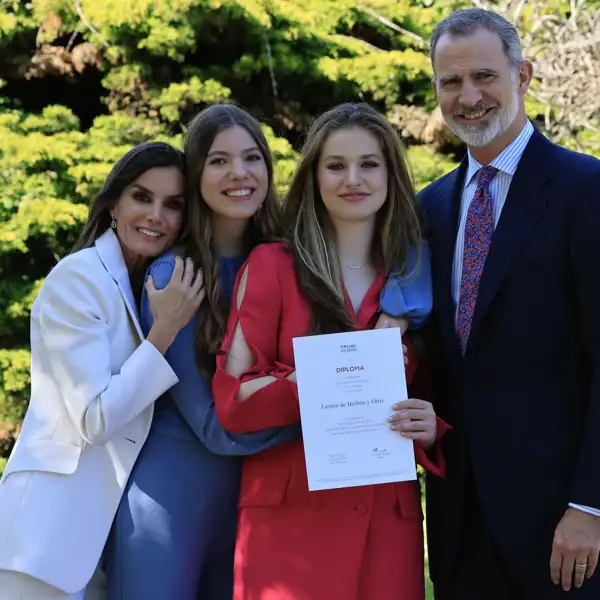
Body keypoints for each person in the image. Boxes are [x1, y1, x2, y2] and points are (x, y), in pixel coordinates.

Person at [107, 104, 434, 599]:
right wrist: (341, 390)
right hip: (187, 489)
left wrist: (418, 415)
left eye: (251, 158)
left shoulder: (342, 262)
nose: (239, 174)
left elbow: (429, 375)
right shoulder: (184, 277)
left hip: (310, 499)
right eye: (218, 161)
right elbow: (220, 423)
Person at [213, 102, 449, 600]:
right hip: (289, 523)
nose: (353, 179)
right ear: (314, 177)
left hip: (387, 522)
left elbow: (436, 397)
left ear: (390, 174)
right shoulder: (273, 265)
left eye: (368, 164)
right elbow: (232, 401)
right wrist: (326, 377)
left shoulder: (416, 279)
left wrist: (430, 428)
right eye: (336, 166)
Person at [418, 8, 600, 600]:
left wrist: (589, 505)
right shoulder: (430, 208)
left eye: (485, 77)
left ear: (522, 75)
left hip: (561, 525)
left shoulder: (586, 190)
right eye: (451, 82)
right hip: (458, 521)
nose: (468, 96)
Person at [0, 142, 204, 599]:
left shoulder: (144, 284)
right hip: (42, 546)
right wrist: (165, 331)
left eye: (173, 205)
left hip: (96, 552)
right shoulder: (78, 278)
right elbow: (94, 419)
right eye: (141, 197)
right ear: (114, 203)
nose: (156, 215)